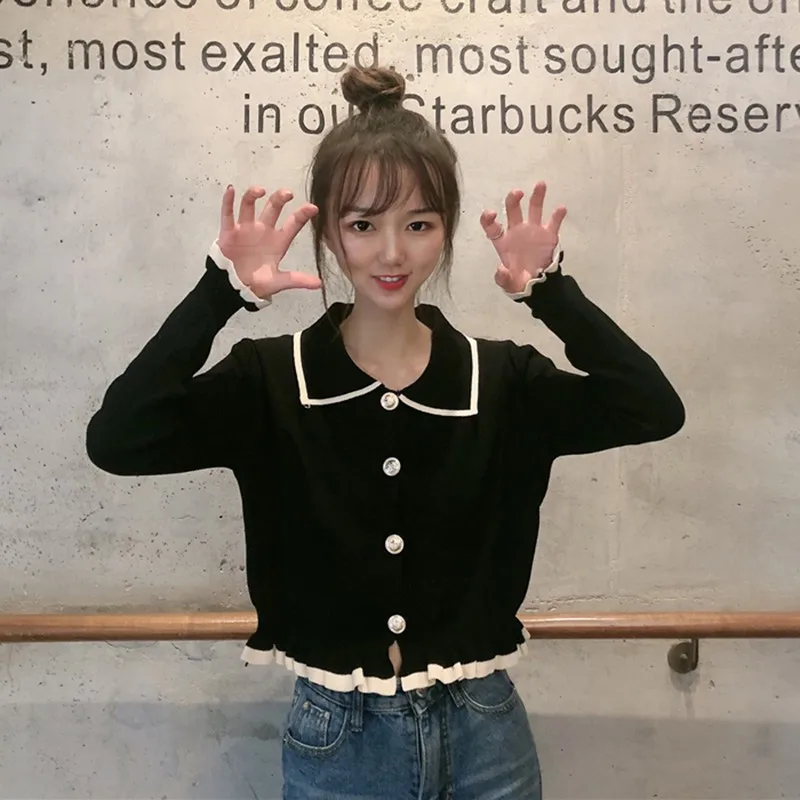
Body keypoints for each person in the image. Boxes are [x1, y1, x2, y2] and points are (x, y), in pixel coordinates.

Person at [85, 65, 685, 799]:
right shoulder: (270, 380)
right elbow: (118, 439)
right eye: (363, 224)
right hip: (338, 741)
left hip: (486, 735)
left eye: (419, 224)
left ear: (447, 231)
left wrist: (552, 293)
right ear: (330, 235)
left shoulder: (502, 381)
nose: (392, 253)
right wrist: (220, 292)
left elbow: (652, 408)